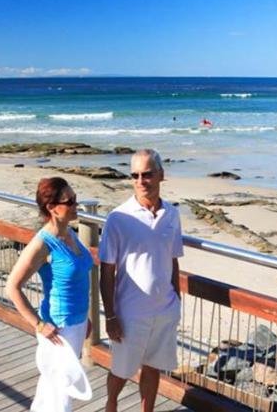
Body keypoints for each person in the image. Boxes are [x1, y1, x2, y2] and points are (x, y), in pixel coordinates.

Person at [99, 148, 184, 412]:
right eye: (135, 175)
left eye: (146, 174)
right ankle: (111, 405)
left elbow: (172, 258)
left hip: (164, 310)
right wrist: (110, 316)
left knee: (153, 367)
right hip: (130, 313)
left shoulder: (171, 213)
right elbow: (106, 271)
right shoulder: (118, 218)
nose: (140, 181)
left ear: (160, 175)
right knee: (121, 370)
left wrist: (177, 299)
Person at [6, 177, 95, 412]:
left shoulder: (69, 234)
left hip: (75, 324)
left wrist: (85, 318)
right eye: (70, 201)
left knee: (50, 389)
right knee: (60, 394)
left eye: (76, 199)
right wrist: (38, 324)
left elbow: (76, 281)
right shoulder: (42, 244)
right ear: (52, 208)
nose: (76, 205)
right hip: (58, 328)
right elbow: (12, 287)